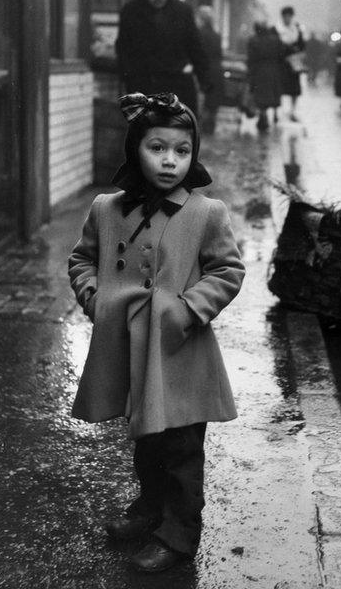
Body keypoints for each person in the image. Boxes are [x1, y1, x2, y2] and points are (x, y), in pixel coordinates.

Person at [68, 91, 244, 573]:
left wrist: (188, 310)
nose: (170, 161)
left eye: (182, 151)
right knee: (146, 439)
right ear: (135, 150)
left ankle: (178, 534)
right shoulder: (106, 209)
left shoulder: (207, 213)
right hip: (129, 349)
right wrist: (94, 297)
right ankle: (148, 511)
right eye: (157, 148)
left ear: (193, 154)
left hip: (180, 351)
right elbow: (82, 260)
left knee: (182, 447)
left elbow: (227, 271)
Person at [116, 0, 210, 115]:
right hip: (144, 88)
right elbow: (123, 50)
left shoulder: (183, 12)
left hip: (177, 88)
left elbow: (195, 47)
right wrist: (129, 81)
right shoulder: (131, 13)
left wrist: (204, 79)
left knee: (181, 133)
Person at [246, 21, 283, 131]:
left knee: (261, 95)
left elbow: (251, 58)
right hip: (273, 70)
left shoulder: (253, 41)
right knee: (272, 94)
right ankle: (273, 114)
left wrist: (250, 71)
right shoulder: (276, 40)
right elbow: (281, 55)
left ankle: (263, 115)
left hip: (259, 71)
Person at [195, 5, 224, 134]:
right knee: (212, 101)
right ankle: (210, 125)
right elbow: (219, 54)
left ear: (201, 19)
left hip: (204, 70)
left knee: (202, 99)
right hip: (216, 70)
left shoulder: (198, 34)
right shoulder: (216, 35)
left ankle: (201, 127)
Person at [276, 5, 305, 121]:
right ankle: (278, 110)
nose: (287, 19)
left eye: (289, 16)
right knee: (279, 88)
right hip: (281, 63)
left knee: (294, 89)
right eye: (285, 16)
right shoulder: (276, 29)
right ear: (282, 17)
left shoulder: (297, 29)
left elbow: (302, 45)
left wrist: (298, 53)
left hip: (293, 64)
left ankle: (292, 110)